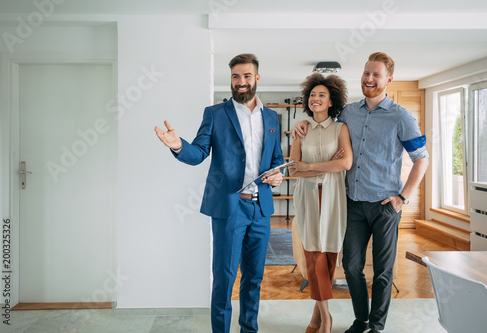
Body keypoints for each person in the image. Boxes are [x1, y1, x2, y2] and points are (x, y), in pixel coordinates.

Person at [293, 52, 429, 333]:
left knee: (383, 271)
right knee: (351, 266)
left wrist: (402, 198)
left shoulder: (401, 116)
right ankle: (361, 319)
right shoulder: (348, 113)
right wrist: (302, 124)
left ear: (388, 80)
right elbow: (323, 120)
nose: (369, 79)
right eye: (367, 73)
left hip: (385, 205)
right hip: (353, 203)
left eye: (376, 75)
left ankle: (376, 326)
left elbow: (422, 158)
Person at [155, 53, 284, 333]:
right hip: (229, 208)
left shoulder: (272, 117)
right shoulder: (214, 114)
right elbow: (198, 153)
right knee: (224, 279)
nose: (241, 82)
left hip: (261, 208)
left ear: (257, 78)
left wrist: (278, 174)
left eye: (247, 76)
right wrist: (178, 145)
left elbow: (276, 159)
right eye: (236, 76)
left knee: (254, 278)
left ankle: (249, 329)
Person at [289, 74, 353, 333]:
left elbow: (345, 164)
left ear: (331, 102)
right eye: (312, 95)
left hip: (333, 198)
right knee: (313, 255)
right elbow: (294, 169)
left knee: (329, 255)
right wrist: (327, 166)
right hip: (307, 198)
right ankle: (327, 318)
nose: (315, 99)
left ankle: (316, 318)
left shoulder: (340, 129)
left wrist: (310, 166)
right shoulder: (300, 129)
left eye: (321, 95)